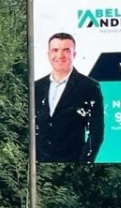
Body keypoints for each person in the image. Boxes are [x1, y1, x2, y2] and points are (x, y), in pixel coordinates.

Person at [34, 32, 105, 162]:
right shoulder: (36, 87)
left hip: (72, 164)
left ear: (74, 54)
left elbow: (96, 133)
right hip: (39, 164)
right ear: (48, 54)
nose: (60, 55)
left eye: (66, 50)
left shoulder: (89, 87)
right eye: (55, 50)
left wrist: (82, 163)